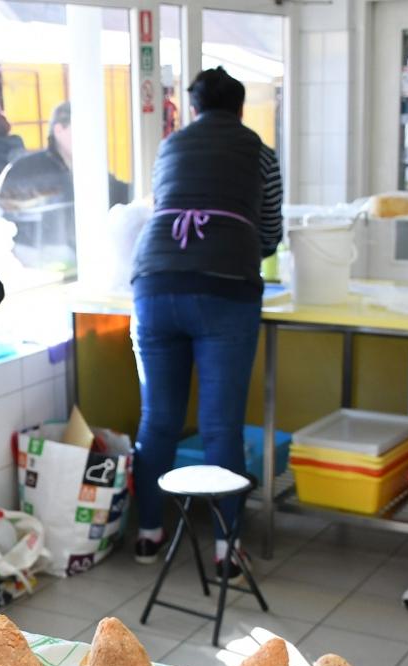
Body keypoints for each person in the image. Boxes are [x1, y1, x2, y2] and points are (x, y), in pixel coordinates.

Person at [127, 67, 283, 578]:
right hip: (224, 290)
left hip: (154, 283)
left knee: (158, 422)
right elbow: (269, 231)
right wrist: (241, 249)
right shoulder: (258, 151)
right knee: (220, 428)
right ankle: (225, 549)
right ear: (240, 109)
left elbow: (166, 206)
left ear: (193, 109)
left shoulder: (170, 147)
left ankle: (149, 534)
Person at [0, 102, 129, 270]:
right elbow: (4, 219)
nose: (89, 136)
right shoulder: (27, 170)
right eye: (81, 129)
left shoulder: (88, 166)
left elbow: (117, 193)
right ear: (59, 130)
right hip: (38, 266)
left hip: (82, 261)